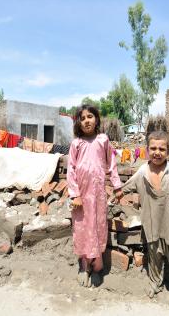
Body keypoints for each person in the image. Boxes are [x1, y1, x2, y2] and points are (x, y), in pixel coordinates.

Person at [119, 130, 169, 306]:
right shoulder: (142, 171)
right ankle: (155, 282)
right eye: (153, 148)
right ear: (146, 150)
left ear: (168, 151)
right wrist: (114, 193)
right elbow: (126, 187)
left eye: (161, 149)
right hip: (151, 221)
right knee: (154, 254)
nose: (157, 152)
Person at [67, 104, 123, 288]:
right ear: (79, 123)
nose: (86, 121)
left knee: (98, 228)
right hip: (81, 197)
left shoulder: (103, 140)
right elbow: (71, 170)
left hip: (98, 195)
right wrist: (75, 194)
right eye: (82, 118)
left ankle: (97, 267)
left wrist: (116, 185)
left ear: (97, 119)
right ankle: (84, 266)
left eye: (90, 116)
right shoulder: (76, 143)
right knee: (82, 229)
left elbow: (112, 164)